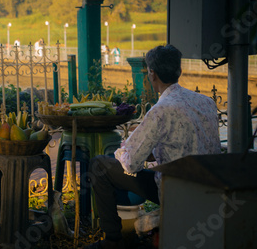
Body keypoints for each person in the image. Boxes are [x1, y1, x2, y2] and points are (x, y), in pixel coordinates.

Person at [85, 45, 220, 249]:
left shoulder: (161, 111)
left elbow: (130, 164)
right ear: (179, 71)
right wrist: (155, 152)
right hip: (207, 187)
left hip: (174, 191)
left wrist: (124, 149)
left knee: (99, 166)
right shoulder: (207, 103)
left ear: (152, 74)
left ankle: (113, 240)